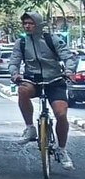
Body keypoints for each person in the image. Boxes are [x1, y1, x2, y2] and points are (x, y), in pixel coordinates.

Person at [12, 9, 72, 169]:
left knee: (61, 114)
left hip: (54, 80)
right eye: (25, 23)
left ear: (38, 24)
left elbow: (68, 56)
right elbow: (14, 61)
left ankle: (62, 149)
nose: (27, 26)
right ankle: (30, 128)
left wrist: (69, 70)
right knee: (22, 90)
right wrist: (15, 73)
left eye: (31, 23)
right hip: (33, 80)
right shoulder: (21, 43)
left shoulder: (52, 39)